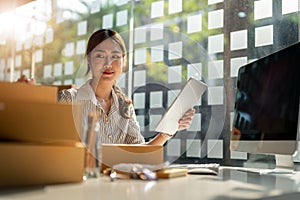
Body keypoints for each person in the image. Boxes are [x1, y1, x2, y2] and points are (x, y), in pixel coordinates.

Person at [17, 29, 195, 164]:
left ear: (123, 61)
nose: (108, 64)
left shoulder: (125, 106)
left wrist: (168, 130)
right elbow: (40, 140)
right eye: (100, 55)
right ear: (89, 59)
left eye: (115, 56)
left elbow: (139, 153)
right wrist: (30, 100)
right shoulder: (69, 99)